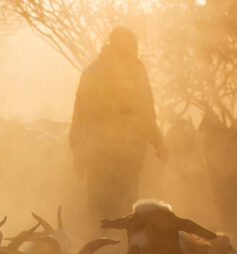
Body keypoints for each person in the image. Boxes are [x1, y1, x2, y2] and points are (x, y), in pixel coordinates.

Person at [70, 27, 166, 221]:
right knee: (125, 209)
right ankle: (122, 248)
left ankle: (101, 246)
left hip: (100, 153)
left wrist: (77, 151)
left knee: (99, 209)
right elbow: (146, 110)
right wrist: (158, 143)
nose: (135, 52)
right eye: (133, 47)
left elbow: (79, 115)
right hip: (125, 154)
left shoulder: (92, 71)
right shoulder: (135, 70)